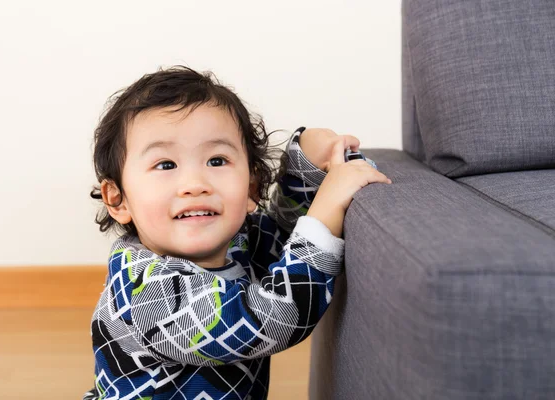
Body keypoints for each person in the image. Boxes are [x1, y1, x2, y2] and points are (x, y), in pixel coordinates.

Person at [83, 66, 392, 400]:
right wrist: (327, 207)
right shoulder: (147, 293)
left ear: (251, 188)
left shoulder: (236, 243)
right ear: (118, 199)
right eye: (166, 165)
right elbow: (276, 317)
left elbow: (283, 237)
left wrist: (309, 164)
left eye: (216, 161)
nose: (195, 185)